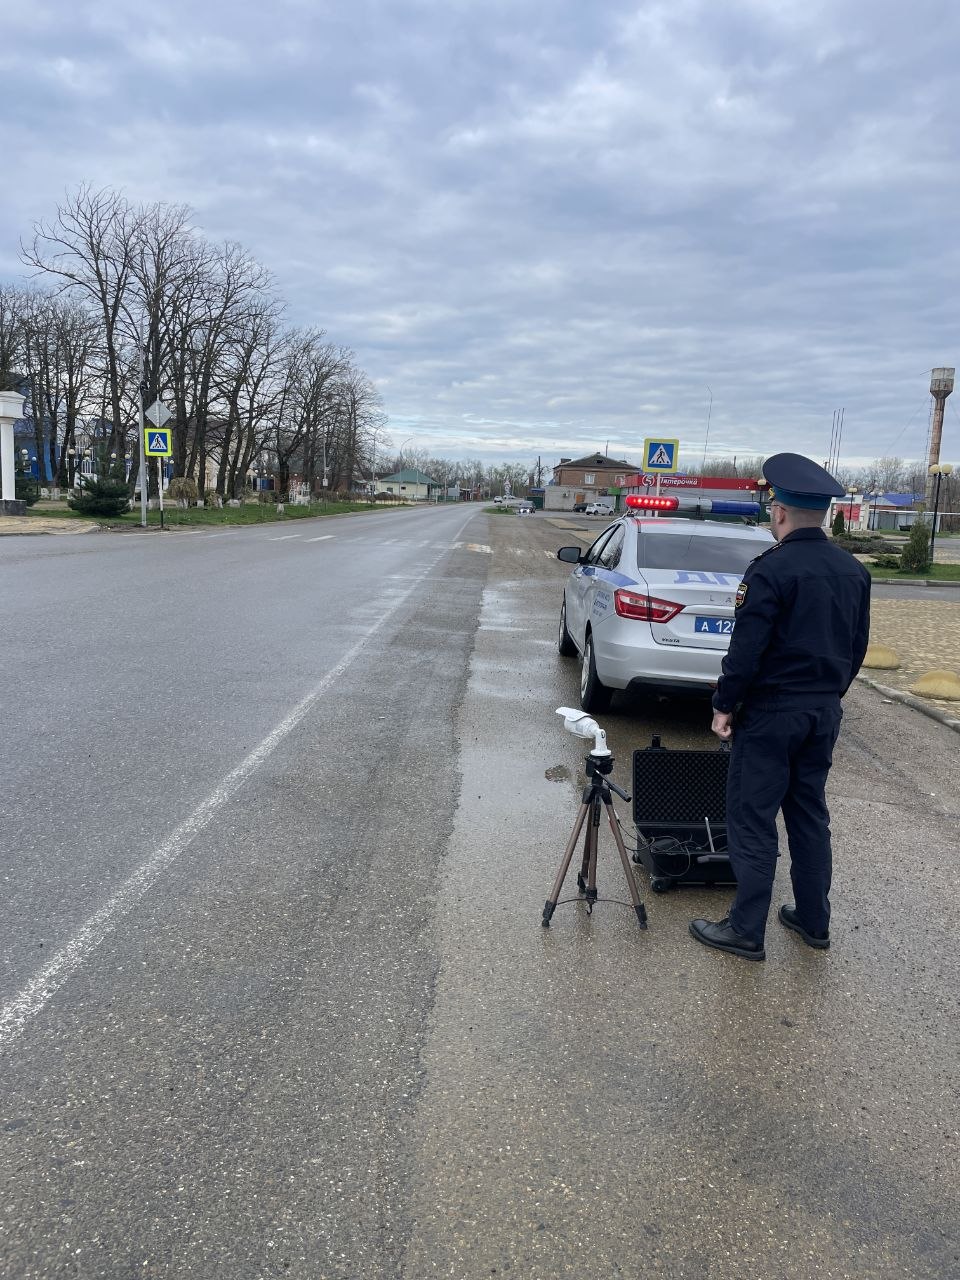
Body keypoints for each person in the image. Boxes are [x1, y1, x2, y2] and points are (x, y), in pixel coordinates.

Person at [689, 453, 871, 961]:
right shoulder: (854, 571)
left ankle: (745, 929)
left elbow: (746, 651)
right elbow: (857, 647)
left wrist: (724, 704)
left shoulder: (770, 569)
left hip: (771, 714)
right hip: (822, 712)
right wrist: (828, 697)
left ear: (781, 512)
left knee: (752, 817)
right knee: (809, 814)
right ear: (824, 513)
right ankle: (814, 920)